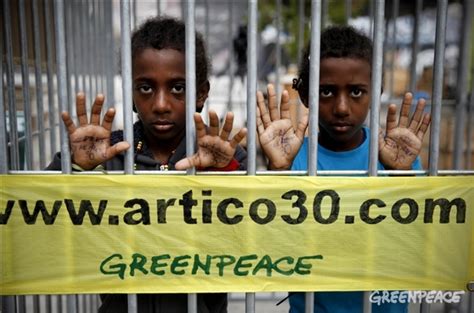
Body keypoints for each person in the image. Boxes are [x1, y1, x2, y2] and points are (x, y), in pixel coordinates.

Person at [47, 16, 247, 312]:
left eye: (178, 88)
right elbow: (38, 222)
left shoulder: (225, 157)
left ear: (201, 94)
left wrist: (222, 173)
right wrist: (78, 169)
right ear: (130, 92)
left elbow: (255, 235)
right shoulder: (107, 153)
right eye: (145, 88)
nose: (161, 104)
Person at [256, 26, 431, 313]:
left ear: (376, 93)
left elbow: (421, 242)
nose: (341, 107)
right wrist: (277, 171)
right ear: (304, 95)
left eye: (356, 92)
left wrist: (402, 177)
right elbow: (272, 244)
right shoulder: (292, 160)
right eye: (326, 91)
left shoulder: (397, 161)